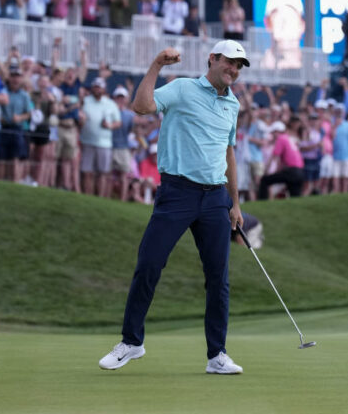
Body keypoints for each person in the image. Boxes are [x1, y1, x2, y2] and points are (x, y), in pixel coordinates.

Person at [98, 40, 247, 374]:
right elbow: (141, 106)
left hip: (215, 199)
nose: (234, 69)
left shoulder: (233, 105)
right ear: (213, 59)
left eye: (239, 66)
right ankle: (131, 343)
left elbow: (229, 153)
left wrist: (235, 203)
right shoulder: (181, 88)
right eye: (230, 62)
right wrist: (156, 65)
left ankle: (217, 355)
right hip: (177, 192)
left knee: (218, 278)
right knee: (149, 264)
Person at [79, 77, 120, 198]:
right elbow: (80, 116)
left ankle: (100, 198)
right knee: (87, 172)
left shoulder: (110, 103)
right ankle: (88, 197)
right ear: (92, 88)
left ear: (104, 89)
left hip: (104, 143)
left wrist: (109, 125)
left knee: (102, 173)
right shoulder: (86, 101)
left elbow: (118, 122)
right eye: (95, 87)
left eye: (99, 87)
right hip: (87, 141)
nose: (97, 89)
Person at [258, 115, 305, 199]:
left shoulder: (281, 138)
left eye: (274, 132)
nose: (273, 134)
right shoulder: (288, 138)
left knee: (264, 180)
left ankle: (261, 203)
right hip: (300, 171)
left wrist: (266, 171)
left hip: (291, 171)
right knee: (295, 196)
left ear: (278, 131)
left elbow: (274, 157)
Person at [262, 0, 305, 69]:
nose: (284, 33)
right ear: (267, 24)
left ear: (302, 25)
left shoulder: (314, 68)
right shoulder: (256, 68)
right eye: (280, 22)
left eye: (290, 20)